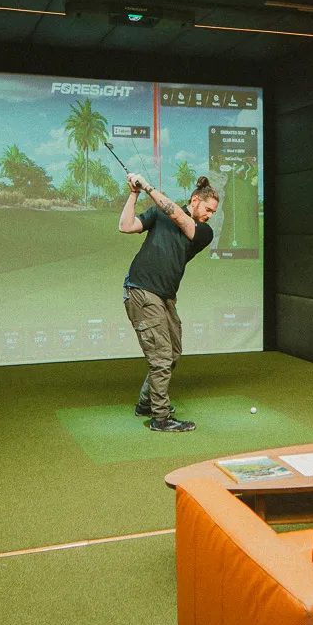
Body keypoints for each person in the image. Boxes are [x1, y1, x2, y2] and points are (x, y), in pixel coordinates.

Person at [119, 172, 219, 432]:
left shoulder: (204, 232)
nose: (210, 215)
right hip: (141, 290)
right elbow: (126, 226)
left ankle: (145, 403)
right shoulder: (159, 214)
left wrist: (148, 186)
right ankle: (160, 418)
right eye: (208, 209)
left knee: (172, 352)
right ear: (195, 200)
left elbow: (179, 217)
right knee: (161, 356)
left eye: (213, 212)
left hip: (165, 296)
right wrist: (134, 193)